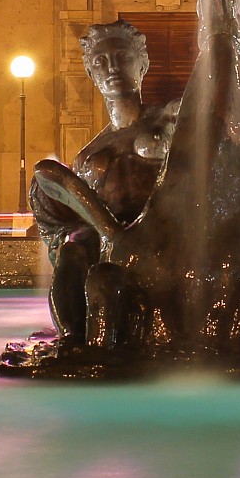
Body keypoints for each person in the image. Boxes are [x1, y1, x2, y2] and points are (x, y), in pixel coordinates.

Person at [32, 20, 178, 346]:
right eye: (100, 62)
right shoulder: (87, 156)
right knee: (73, 250)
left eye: (122, 57)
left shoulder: (170, 117)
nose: (111, 67)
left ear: (143, 64)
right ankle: (72, 337)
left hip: (167, 234)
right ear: (91, 74)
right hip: (110, 242)